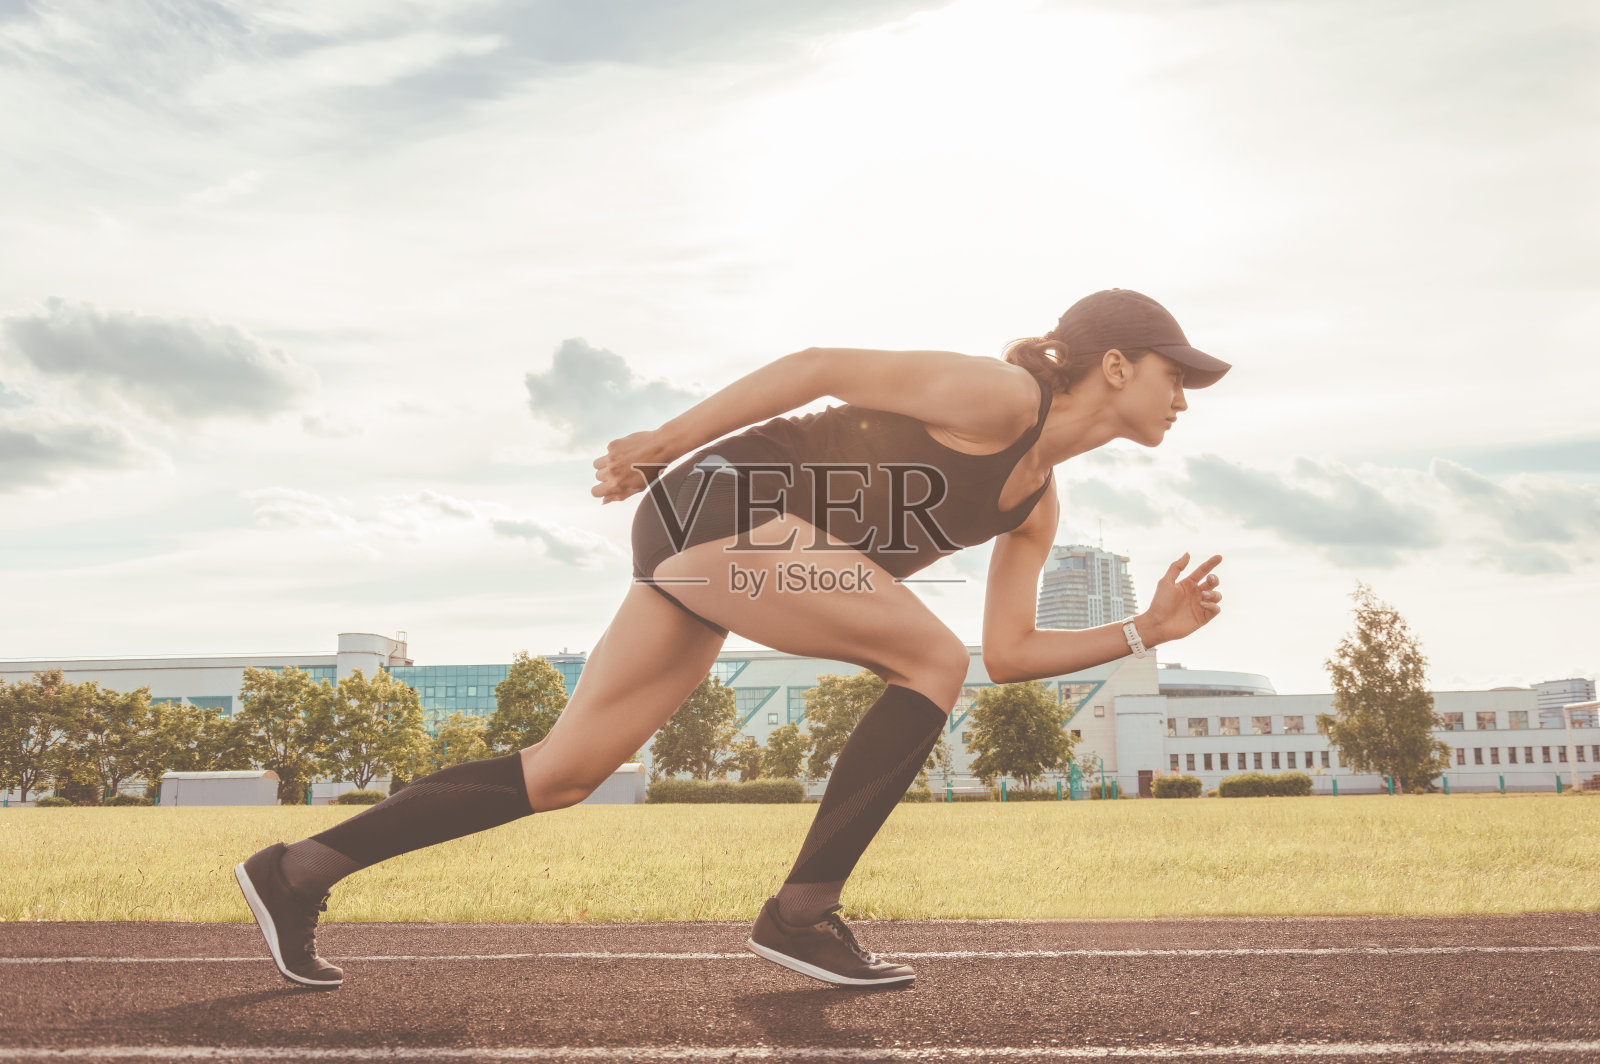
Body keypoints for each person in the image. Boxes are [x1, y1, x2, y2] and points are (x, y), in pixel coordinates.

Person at [234, 287, 1230, 990]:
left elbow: (1006, 655)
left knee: (564, 771)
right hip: (722, 506)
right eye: (1175, 373)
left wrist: (1142, 628)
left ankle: (297, 870)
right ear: (1114, 364)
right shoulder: (1002, 397)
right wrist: (661, 444)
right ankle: (802, 913)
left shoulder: (1036, 504)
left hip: (721, 551)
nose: (1184, 395)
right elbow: (817, 367)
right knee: (926, 657)